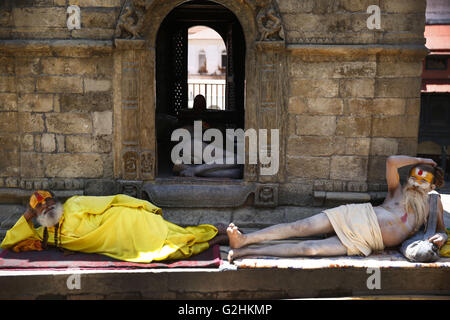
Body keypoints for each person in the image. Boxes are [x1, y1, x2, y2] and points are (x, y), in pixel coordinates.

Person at [227, 155, 448, 261]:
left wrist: (441, 238)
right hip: (354, 216)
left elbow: (440, 231)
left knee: (310, 249)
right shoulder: (397, 191)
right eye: (413, 178)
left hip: (365, 241)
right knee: (300, 226)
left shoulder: (432, 204)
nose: (416, 183)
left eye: (422, 180)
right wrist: (420, 159)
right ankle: (245, 239)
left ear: (431, 185)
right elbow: (391, 161)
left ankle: (245, 251)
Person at [1, 191, 228, 263]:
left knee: (172, 236)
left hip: (127, 221)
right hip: (120, 243)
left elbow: (113, 200)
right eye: (40, 208)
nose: (47, 207)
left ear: (55, 201)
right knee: (163, 253)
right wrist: (27, 215)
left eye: (48, 202)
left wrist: (144, 206)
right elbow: (11, 242)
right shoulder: (45, 236)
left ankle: (215, 231)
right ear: (37, 216)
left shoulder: (74, 204)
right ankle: (215, 238)